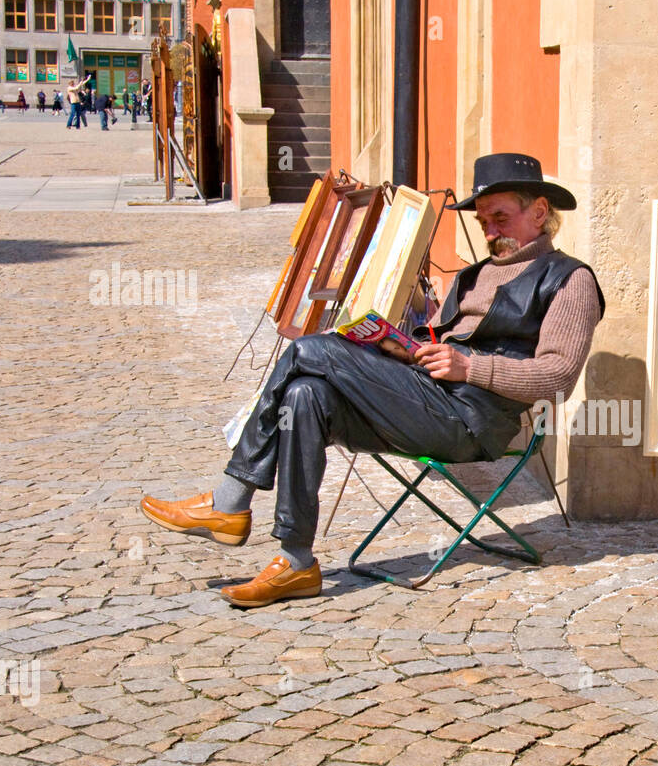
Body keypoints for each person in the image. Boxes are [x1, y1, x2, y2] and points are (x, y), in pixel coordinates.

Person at [140, 153, 605, 608]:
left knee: (309, 349)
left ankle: (230, 499)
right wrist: (402, 348)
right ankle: (295, 560)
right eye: (483, 221)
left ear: (540, 212)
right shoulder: (471, 277)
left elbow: (557, 375)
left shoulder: (569, 279)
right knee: (306, 395)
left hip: (472, 422)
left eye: (499, 218)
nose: (489, 231)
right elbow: (434, 347)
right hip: (425, 402)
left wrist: (472, 368)